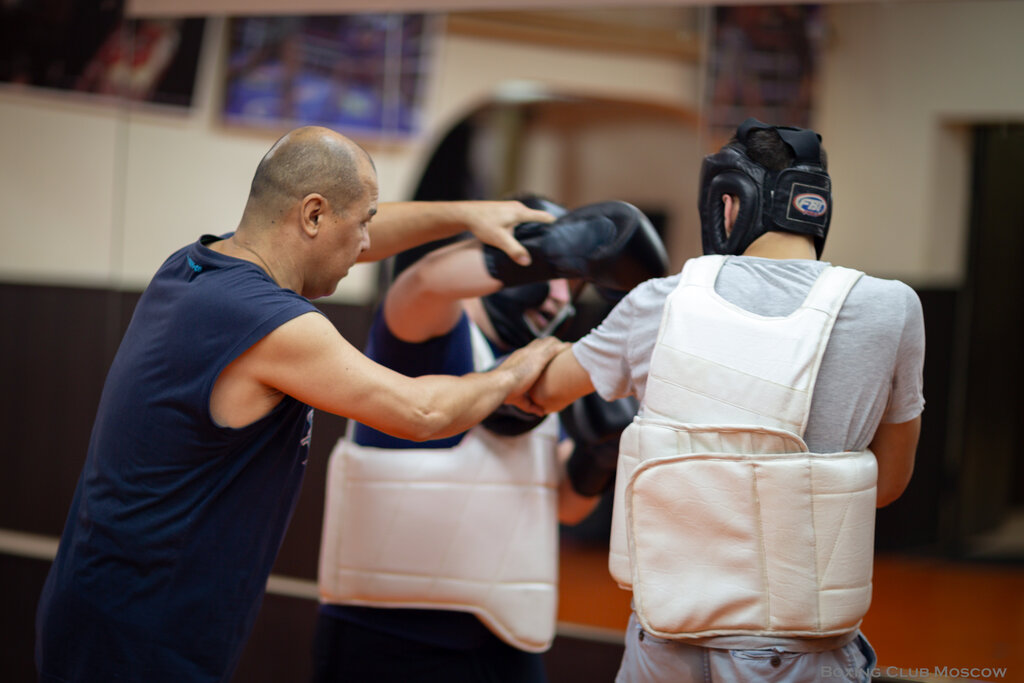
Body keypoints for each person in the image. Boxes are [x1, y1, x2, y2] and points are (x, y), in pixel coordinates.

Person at [33, 125, 572, 683]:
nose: (367, 243)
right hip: (139, 634)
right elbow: (421, 414)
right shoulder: (269, 324)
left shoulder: (196, 266)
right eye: (362, 222)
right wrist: (512, 373)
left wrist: (468, 216)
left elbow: (357, 232)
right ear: (313, 215)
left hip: (102, 605)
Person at [514, 119, 925, 682]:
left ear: (728, 205)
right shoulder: (892, 308)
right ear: (816, 206)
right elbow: (890, 484)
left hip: (665, 636)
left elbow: (540, 392)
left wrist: (535, 341)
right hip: (800, 648)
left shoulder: (658, 302)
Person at [312, 195, 666, 682]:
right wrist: (555, 247)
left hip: (505, 640)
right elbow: (425, 282)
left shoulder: (539, 366)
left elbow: (565, 506)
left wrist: (597, 457)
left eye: (573, 283)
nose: (563, 297)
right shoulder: (431, 331)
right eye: (555, 274)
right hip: (387, 638)